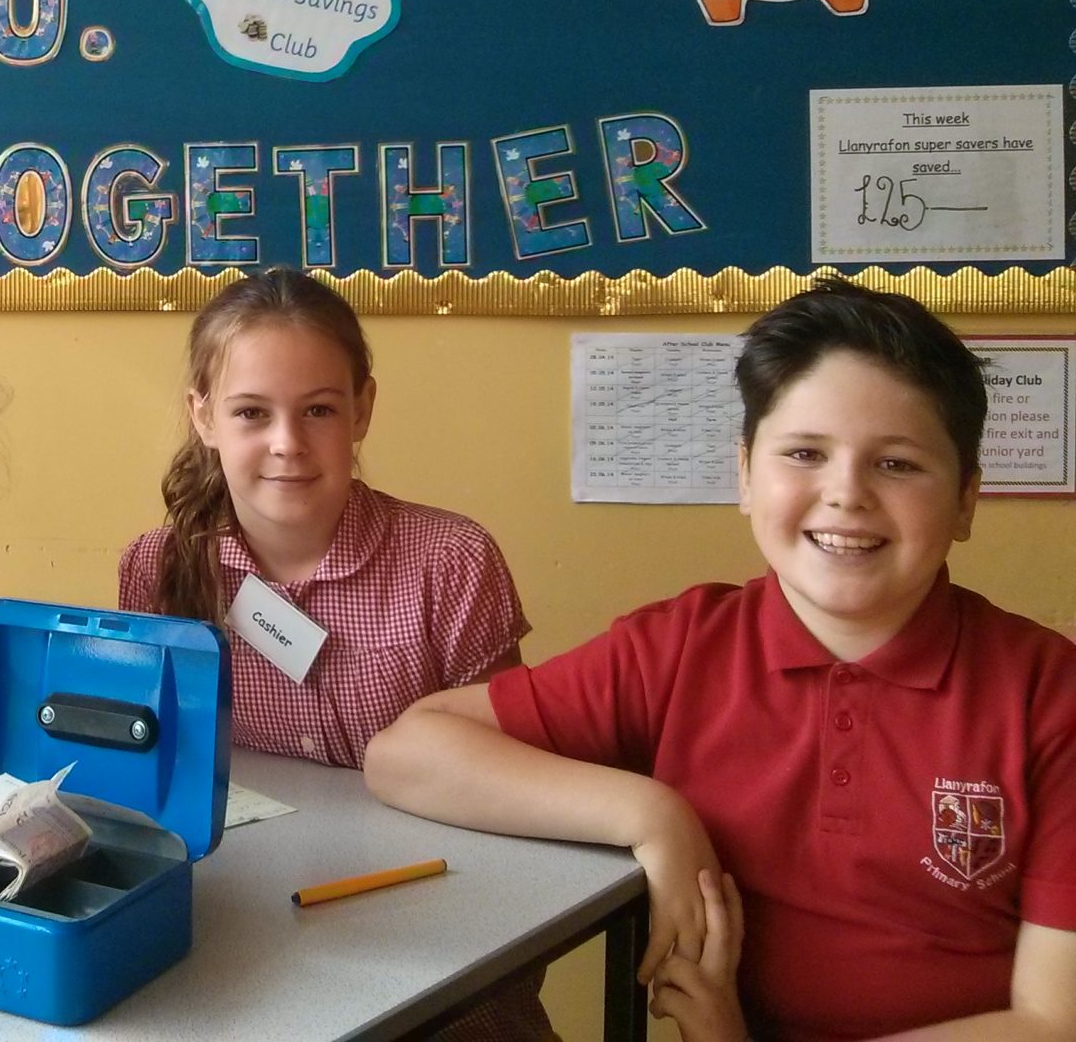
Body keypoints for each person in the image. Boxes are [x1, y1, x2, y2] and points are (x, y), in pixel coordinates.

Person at [364, 280, 1076, 1040]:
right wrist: (651, 813)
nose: (845, 495)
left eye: (897, 465)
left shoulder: (1047, 695)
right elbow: (407, 752)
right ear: (744, 474)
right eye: (804, 453)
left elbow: (1053, 1018)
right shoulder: (682, 650)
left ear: (966, 499)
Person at [119, 268, 544, 1040]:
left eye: (318, 410)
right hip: (251, 957)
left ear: (363, 410)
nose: (287, 444)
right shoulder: (157, 570)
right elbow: (156, 786)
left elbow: (514, 786)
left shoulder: (452, 561)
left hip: (440, 959)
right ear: (204, 416)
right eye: (252, 413)